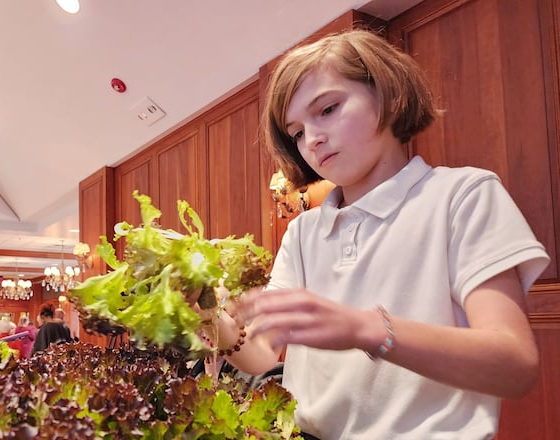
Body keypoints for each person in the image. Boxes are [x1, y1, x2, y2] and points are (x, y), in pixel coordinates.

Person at [208, 30, 550, 439]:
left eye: (328, 109)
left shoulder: (462, 195)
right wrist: (207, 313)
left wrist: (367, 329)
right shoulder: (302, 232)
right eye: (296, 132)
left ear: (388, 95)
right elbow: (263, 355)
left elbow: (515, 365)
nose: (312, 140)